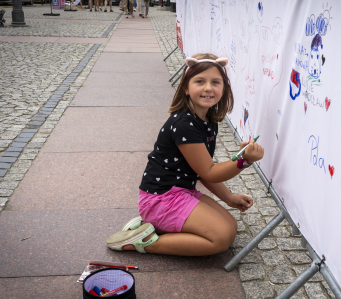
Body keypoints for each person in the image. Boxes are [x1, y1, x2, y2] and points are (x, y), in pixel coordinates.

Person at [106, 53, 264, 256]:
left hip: (181, 193)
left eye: (215, 82)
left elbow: (202, 171)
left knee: (230, 226)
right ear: (186, 88)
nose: (208, 87)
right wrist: (245, 160)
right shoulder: (183, 124)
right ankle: (146, 241)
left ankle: (155, 225)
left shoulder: (208, 121)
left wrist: (229, 198)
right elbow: (210, 172)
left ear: (223, 89)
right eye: (200, 81)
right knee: (221, 238)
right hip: (161, 199)